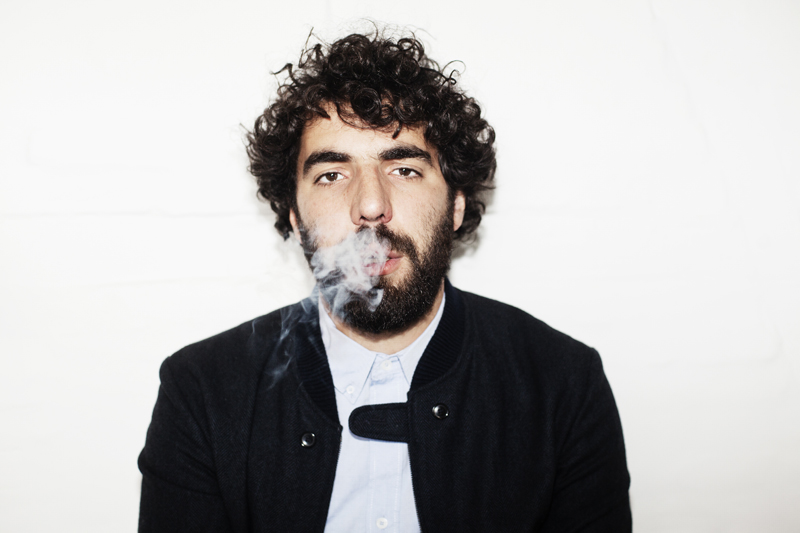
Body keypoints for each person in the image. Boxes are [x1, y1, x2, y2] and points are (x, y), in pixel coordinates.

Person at [138, 31, 631, 532]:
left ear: (456, 206)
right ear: (295, 216)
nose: (371, 205)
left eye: (404, 169)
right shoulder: (202, 391)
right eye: (332, 174)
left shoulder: (562, 387)